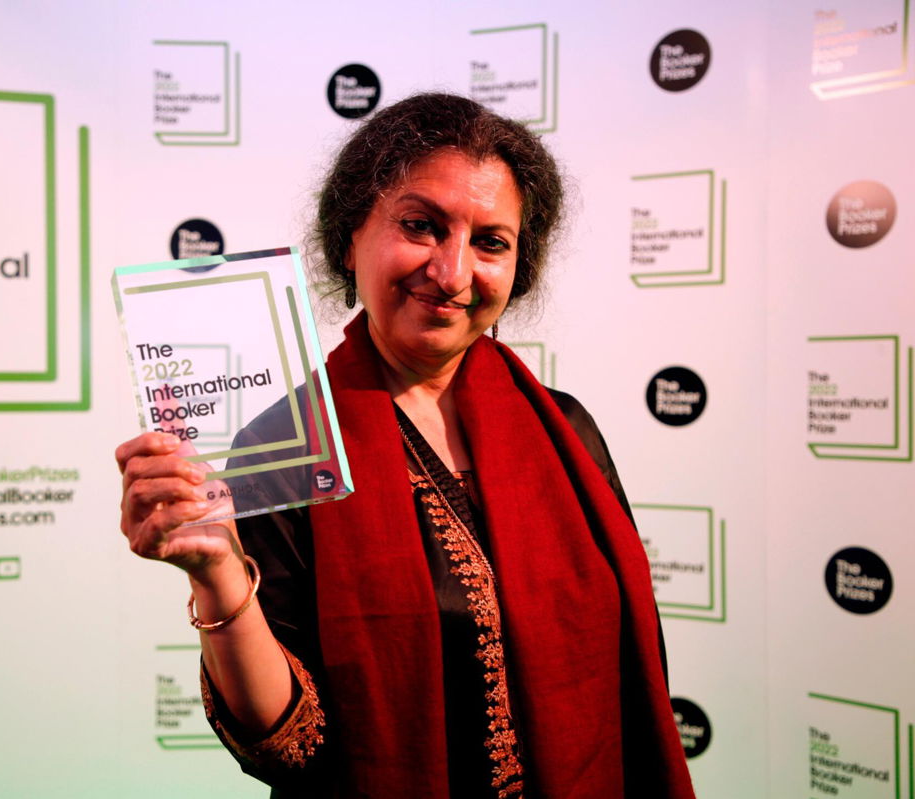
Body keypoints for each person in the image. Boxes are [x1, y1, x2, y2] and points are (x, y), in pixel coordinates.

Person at [117, 92, 695, 799]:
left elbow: (632, 681)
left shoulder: (566, 431)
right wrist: (216, 574)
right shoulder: (287, 445)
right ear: (351, 234)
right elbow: (287, 744)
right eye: (421, 226)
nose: (452, 273)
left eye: (491, 242)